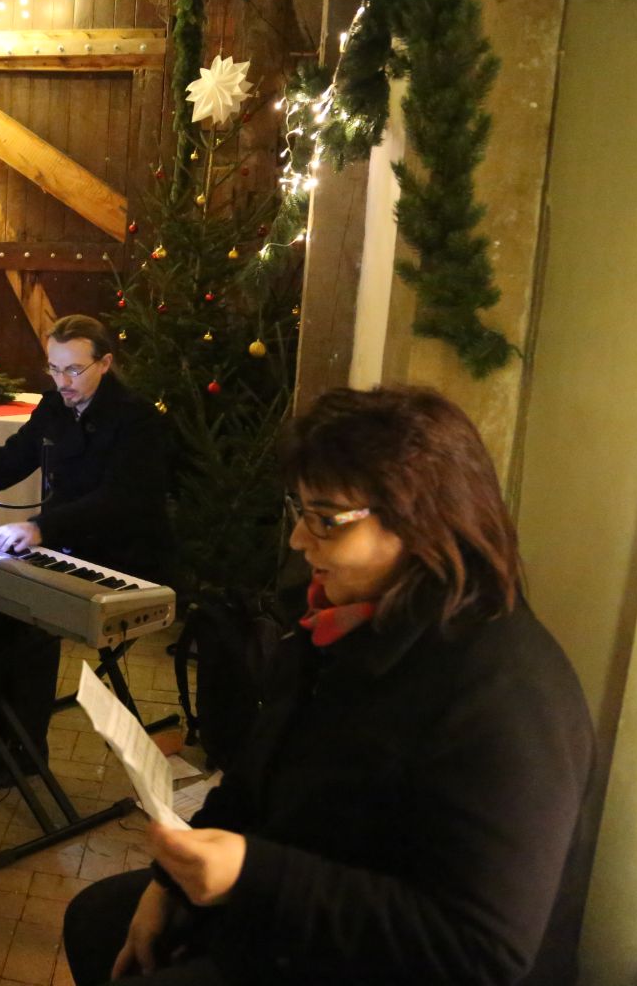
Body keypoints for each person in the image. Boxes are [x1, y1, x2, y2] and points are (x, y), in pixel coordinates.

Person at [61, 387, 595, 986]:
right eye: (301, 512)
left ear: (420, 520)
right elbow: (258, 777)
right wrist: (169, 881)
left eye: (325, 520)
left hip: (391, 961)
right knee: (98, 921)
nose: (298, 540)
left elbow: (480, 949)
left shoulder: (507, 691)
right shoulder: (338, 624)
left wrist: (253, 876)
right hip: (307, 896)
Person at [0, 314, 175, 790]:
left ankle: (25, 753)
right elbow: (14, 456)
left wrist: (40, 526)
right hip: (65, 539)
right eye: (53, 368)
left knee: (29, 613)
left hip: (121, 553)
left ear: (105, 363)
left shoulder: (138, 421)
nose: (62, 382)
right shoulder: (53, 405)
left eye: (74, 370)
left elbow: (121, 501)